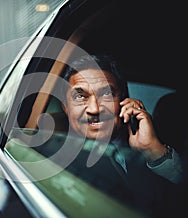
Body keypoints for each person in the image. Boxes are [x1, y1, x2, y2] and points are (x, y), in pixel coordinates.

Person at [60, 54, 184, 216]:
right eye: (80, 96)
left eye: (107, 94)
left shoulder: (139, 147)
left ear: (124, 100)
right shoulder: (56, 162)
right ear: (65, 108)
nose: (94, 109)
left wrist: (153, 150)